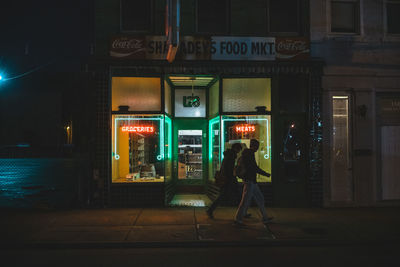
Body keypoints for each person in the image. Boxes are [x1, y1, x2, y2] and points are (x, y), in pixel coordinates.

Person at [234, 139, 273, 226]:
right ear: (254, 146)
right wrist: (265, 174)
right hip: (250, 180)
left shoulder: (247, 154)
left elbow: (253, 167)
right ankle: (238, 219)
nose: (258, 148)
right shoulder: (250, 154)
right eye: (257, 146)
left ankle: (265, 217)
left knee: (259, 198)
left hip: (251, 181)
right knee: (245, 200)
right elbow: (254, 168)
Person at [206, 143, 243, 219]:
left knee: (235, 195)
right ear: (236, 149)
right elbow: (229, 169)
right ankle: (210, 210)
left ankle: (243, 212)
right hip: (229, 179)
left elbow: (225, 168)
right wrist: (233, 175)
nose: (239, 151)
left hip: (228, 179)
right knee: (233, 195)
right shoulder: (231, 156)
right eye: (239, 149)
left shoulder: (228, 155)